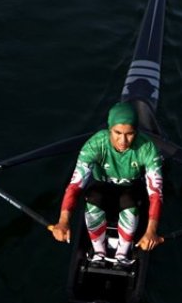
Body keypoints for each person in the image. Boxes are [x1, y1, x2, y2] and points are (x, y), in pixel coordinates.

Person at [51, 102, 163, 263]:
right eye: (117, 133)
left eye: (129, 134)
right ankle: (98, 253)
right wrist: (63, 221)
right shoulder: (94, 145)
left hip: (131, 191)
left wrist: (151, 231)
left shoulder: (148, 148)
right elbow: (75, 187)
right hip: (102, 188)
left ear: (136, 132)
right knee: (93, 198)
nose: (123, 140)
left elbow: (156, 195)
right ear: (109, 129)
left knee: (129, 201)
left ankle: (123, 255)